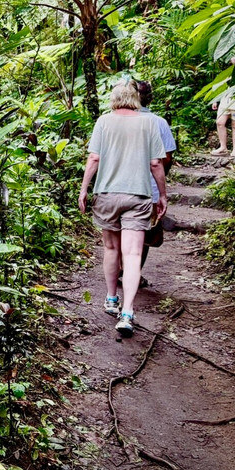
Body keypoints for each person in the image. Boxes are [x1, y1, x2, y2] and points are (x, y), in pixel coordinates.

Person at [78, 80, 168, 337]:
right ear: (136, 99)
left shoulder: (103, 122)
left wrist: (84, 189)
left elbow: (94, 158)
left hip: (106, 194)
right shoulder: (148, 122)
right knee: (131, 254)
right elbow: (155, 164)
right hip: (137, 195)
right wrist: (162, 195)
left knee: (110, 248)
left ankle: (111, 298)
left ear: (114, 98)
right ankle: (127, 312)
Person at [134, 79, 176, 280]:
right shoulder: (159, 122)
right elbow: (166, 158)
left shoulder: (112, 119)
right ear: (149, 98)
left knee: (118, 231)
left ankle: (119, 269)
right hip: (149, 189)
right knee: (143, 234)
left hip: (117, 188)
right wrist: (160, 184)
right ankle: (134, 272)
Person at [211, 57, 235, 156]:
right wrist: (215, 100)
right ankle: (223, 146)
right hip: (225, 100)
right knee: (220, 122)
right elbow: (220, 86)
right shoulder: (227, 73)